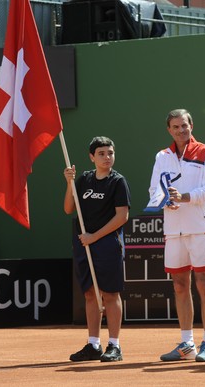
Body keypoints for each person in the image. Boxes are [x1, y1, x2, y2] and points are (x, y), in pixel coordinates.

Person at [152, 109, 205, 363]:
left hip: (200, 226)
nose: (181, 130)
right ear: (169, 130)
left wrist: (184, 197)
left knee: (203, 284)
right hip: (174, 229)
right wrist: (165, 201)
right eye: (176, 127)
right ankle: (187, 343)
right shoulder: (162, 156)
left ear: (191, 126)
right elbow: (154, 189)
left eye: (184, 125)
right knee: (180, 285)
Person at [64, 136, 131, 362]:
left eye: (110, 153)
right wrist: (69, 184)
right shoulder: (83, 180)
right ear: (92, 157)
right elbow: (68, 208)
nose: (107, 157)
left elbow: (122, 216)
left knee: (110, 294)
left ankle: (114, 345)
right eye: (101, 154)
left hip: (107, 244)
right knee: (90, 294)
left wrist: (95, 237)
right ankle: (93, 344)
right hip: (84, 243)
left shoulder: (118, 181)